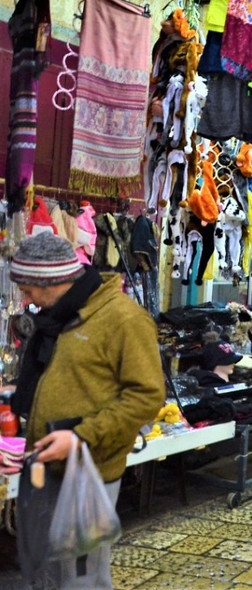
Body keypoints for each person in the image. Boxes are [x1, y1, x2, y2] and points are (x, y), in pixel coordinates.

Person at [9, 232, 164, 588]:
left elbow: (146, 397)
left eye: (29, 288)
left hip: (88, 470)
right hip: (45, 463)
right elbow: (62, 376)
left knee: (81, 578)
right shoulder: (60, 316)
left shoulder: (124, 320)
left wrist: (80, 437)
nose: (24, 297)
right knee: (43, 566)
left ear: (54, 281)